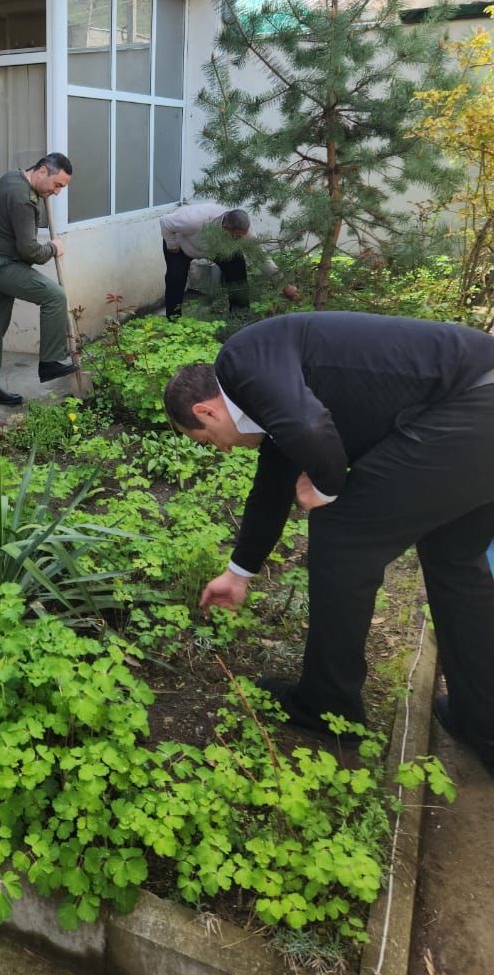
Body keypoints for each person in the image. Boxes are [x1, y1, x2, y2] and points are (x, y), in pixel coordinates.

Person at [163, 311, 494, 774]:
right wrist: (238, 574)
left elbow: (310, 428)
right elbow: (272, 486)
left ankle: (326, 705)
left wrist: (326, 487)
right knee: (454, 560)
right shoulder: (267, 387)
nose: (221, 448)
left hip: (469, 410)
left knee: (341, 531)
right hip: (478, 410)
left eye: (205, 439)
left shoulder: (241, 361)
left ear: (206, 411)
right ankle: (482, 721)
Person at [0, 153, 76, 407]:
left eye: (61, 188)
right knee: (55, 296)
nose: (57, 192)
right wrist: (53, 248)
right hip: (2, 266)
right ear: (42, 171)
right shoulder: (23, 199)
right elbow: (30, 251)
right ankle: (50, 362)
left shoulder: (11, 178)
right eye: (57, 185)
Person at [159, 201, 298, 318]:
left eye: (243, 236)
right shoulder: (195, 220)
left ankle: (239, 315)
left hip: (214, 248)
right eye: (237, 236)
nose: (241, 239)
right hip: (181, 245)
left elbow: (260, 257)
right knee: (176, 277)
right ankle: (173, 320)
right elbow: (165, 222)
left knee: (237, 266)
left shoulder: (243, 232)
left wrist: (284, 285)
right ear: (225, 228)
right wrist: (172, 244)